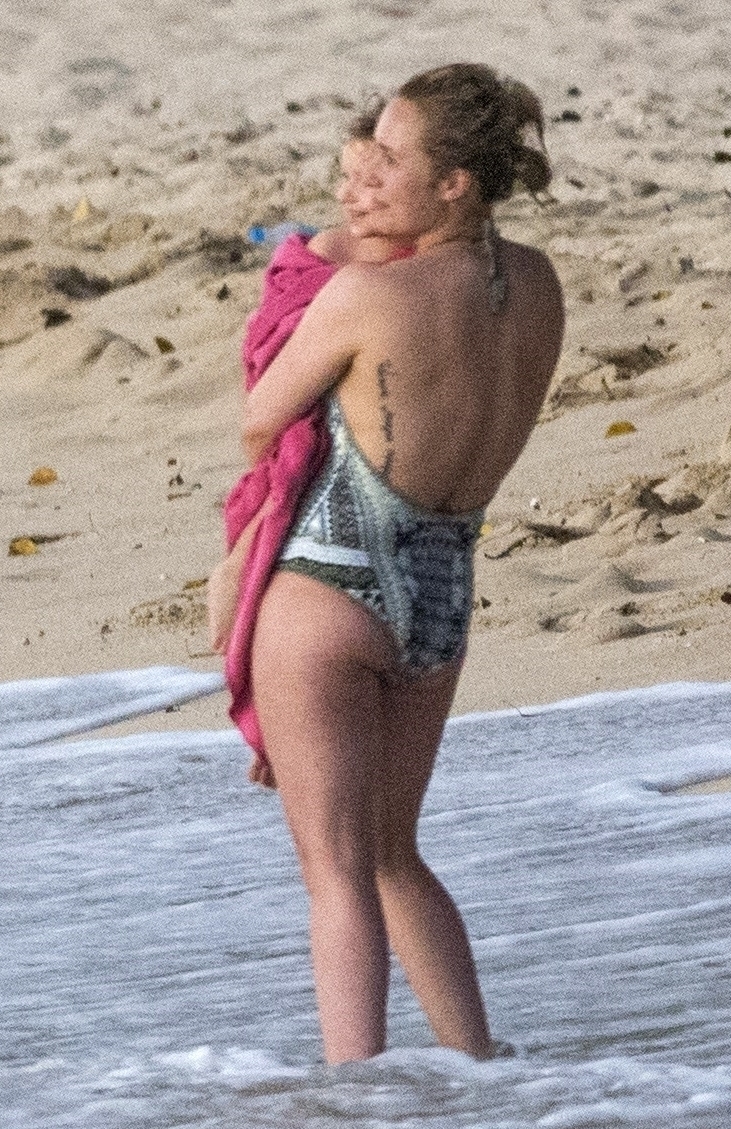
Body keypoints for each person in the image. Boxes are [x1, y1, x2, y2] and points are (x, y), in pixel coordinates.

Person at [241, 63, 564, 1064]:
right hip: (439, 600)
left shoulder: (367, 294)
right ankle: (481, 1068)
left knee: (335, 873)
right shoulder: (537, 286)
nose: (367, 169)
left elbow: (259, 420)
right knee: (394, 856)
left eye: (390, 155)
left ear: (453, 183)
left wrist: (314, 273)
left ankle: (358, 1105)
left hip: (328, 589)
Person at [208, 106, 410, 783]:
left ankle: (282, 722)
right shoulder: (490, 279)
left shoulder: (390, 281)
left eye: (373, 181)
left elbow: (263, 420)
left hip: (337, 535)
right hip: (429, 561)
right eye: (345, 178)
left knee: (346, 845)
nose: (352, 196)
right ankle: (281, 724)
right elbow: (267, 367)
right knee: (387, 832)